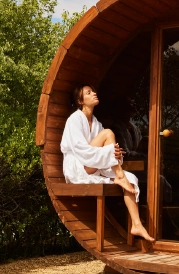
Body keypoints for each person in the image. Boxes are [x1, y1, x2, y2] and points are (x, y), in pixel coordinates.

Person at [60, 84, 154, 243]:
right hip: (78, 166)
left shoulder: (95, 122)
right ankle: (119, 175)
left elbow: (104, 148)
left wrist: (114, 153)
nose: (94, 94)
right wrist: (107, 152)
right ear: (80, 101)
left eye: (93, 91)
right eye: (88, 93)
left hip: (92, 164)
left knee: (130, 179)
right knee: (109, 133)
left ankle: (137, 224)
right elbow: (79, 149)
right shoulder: (74, 120)